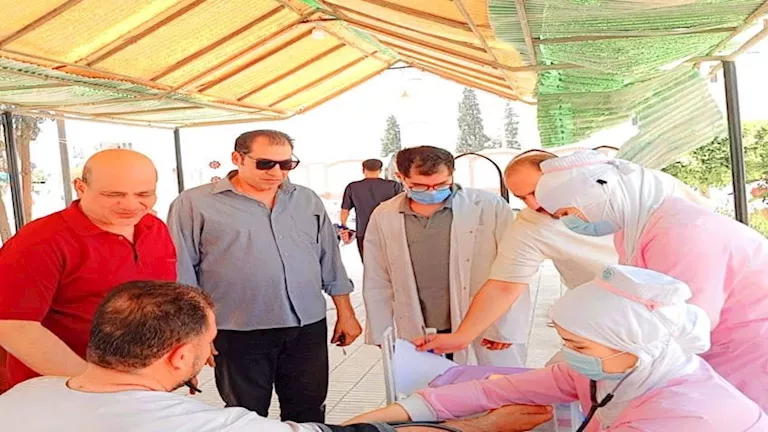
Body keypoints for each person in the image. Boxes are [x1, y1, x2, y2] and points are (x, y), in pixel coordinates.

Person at [0, 280, 555, 432]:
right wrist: (474, 426)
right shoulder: (199, 424)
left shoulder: (22, 397)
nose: (213, 351)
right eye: (209, 343)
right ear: (180, 356)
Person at [349, 265, 768, 431]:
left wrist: (476, 429)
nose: (567, 354)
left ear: (634, 345)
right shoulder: (611, 370)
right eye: (564, 340)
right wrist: (387, 416)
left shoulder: (684, 415)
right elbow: (494, 390)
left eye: (576, 343)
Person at [415, 149, 712, 364]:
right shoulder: (530, 225)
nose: (534, 204)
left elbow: (706, 244)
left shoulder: (642, 194)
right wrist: (462, 336)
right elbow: (504, 285)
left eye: (536, 191)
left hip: (688, 307)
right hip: (609, 322)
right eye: (522, 198)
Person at [532, 150, 768, 410]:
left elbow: (684, 325)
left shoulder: (682, 233)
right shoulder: (634, 230)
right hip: (725, 348)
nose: (570, 223)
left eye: (567, 212)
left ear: (595, 194)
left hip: (745, 350)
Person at [167, 130, 362, 423]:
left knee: (309, 411)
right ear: (237, 159)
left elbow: (330, 260)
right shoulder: (194, 204)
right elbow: (182, 273)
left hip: (305, 326)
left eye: (286, 164)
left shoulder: (306, 200)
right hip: (237, 330)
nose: (277, 173)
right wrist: (195, 333)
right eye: (265, 164)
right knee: (245, 416)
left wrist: (346, 313)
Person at [0, 149, 176, 392]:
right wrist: (96, 383)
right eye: (113, 194)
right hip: (63, 388)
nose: (130, 204)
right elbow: (13, 326)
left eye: (143, 194)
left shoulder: (155, 228)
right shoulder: (41, 240)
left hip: (144, 383)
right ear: (80, 187)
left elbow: (164, 299)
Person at [363, 146, 522, 366]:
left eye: (441, 185)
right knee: (427, 385)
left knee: (490, 383)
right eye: (420, 186)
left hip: (481, 323)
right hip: (418, 325)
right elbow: (377, 277)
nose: (431, 192)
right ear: (401, 177)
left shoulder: (488, 206)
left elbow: (515, 271)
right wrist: (381, 331)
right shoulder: (385, 214)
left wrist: (506, 327)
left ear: (452, 174)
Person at [340, 159, 402, 259]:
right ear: (380, 170)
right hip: (389, 232)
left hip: (364, 232)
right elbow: (401, 207)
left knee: (368, 263)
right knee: (391, 263)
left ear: (363, 170)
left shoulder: (353, 187)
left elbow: (345, 210)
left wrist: (344, 227)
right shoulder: (393, 185)